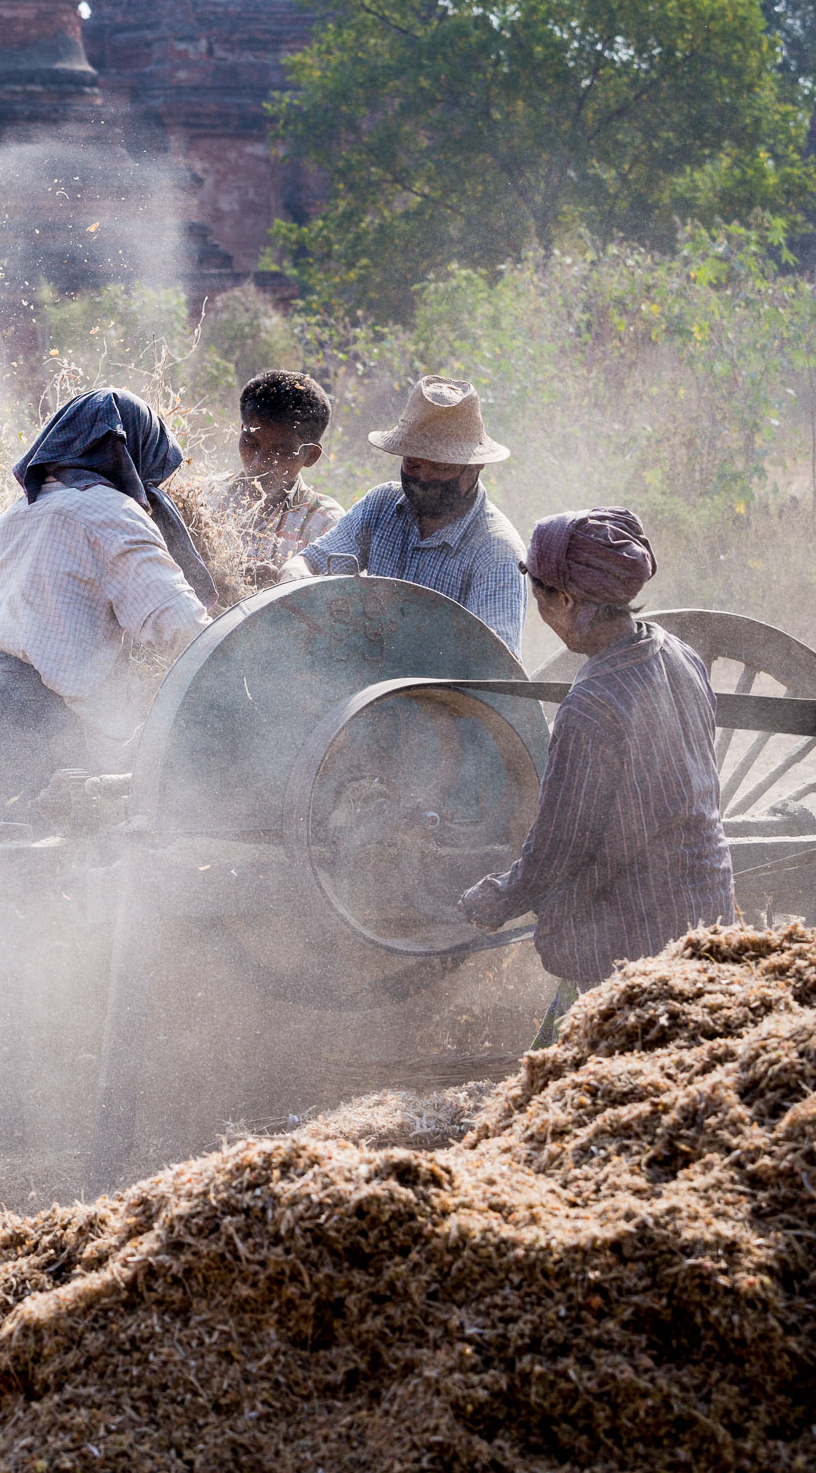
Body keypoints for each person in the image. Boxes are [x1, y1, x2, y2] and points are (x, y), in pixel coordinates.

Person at [458, 507, 735, 1042]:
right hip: (708, 918)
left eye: (541, 599)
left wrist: (498, 897)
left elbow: (560, 847)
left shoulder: (590, 707)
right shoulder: (681, 655)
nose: (541, 614)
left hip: (631, 945)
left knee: (563, 1087)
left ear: (566, 600)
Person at [0, 388, 214, 854]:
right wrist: (240, 657)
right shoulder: (111, 514)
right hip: (30, 722)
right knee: (50, 887)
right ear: (133, 453)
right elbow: (181, 627)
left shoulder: (19, 512)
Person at [276, 374, 527, 657]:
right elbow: (312, 561)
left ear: (475, 466)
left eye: (441, 468)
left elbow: (496, 668)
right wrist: (294, 577)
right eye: (413, 463)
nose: (423, 478)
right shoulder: (382, 505)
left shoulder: (496, 551)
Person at [205, 369, 344, 584]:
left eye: (282, 451)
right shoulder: (205, 499)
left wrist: (280, 592)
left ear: (311, 455)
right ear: (242, 431)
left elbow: (338, 609)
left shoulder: (326, 526)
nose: (259, 462)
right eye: (251, 443)